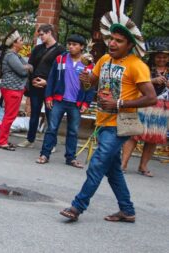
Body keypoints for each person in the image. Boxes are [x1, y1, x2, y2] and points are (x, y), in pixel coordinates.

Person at [60, 0, 157, 222]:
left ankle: (77, 207)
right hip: (103, 121)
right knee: (112, 170)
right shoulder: (104, 59)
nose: (112, 43)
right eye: (111, 39)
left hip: (121, 124)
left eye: (119, 41)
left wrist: (119, 104)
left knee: (96, 165)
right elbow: (91, 84)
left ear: (129, 45)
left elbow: (150, 97)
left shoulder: (137, 65)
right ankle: (127, 210)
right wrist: (85, 80)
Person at [35, 34, 94, 167]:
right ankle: (44, 155)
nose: (71, 47)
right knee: (52, 128)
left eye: (75, 44)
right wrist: (48, 96)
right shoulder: (60, 59)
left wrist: (86, 103)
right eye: (69, 44)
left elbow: (91, 85)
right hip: (59, 100)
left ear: (82, 47)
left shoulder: (88, 64)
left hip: (76, 103)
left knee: (73, 131)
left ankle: (71, 158)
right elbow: (51, 79)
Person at [121, 44, 169, 177]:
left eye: (164, 57)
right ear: (153, 58)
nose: (161, 59)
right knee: (134, 134)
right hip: (144, 103)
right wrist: (152, 80)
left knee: (153, 137)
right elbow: (136, 82)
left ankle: (143, 166)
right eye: (159, 57)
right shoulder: (145, 68)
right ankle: (123, 163)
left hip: (162, 107)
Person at [18, 24, 65, 148]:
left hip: (50, 88)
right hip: (35, 87)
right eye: (39, 35)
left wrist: (47, 82)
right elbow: (31, 64)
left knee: (51, 116)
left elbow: (61, 73)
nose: (41, 37)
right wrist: (29, 74)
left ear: (49, 32)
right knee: (34, 114)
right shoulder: (38, 48)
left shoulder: (61, 50)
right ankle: (30, 139)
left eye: (42, 34)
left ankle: (51, 144)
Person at [0, 29, 33, 151]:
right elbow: (23, 71)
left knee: (9, 115)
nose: (23, 43)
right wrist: (26, 68)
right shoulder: (11, 56)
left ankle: (4, 139)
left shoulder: (16, 56)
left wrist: (26, 67)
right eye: (21, 40)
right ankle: (2, 142)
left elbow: (30, 67)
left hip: (14, 88)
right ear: (14, 43)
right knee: (10, 116)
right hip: (12, 89)